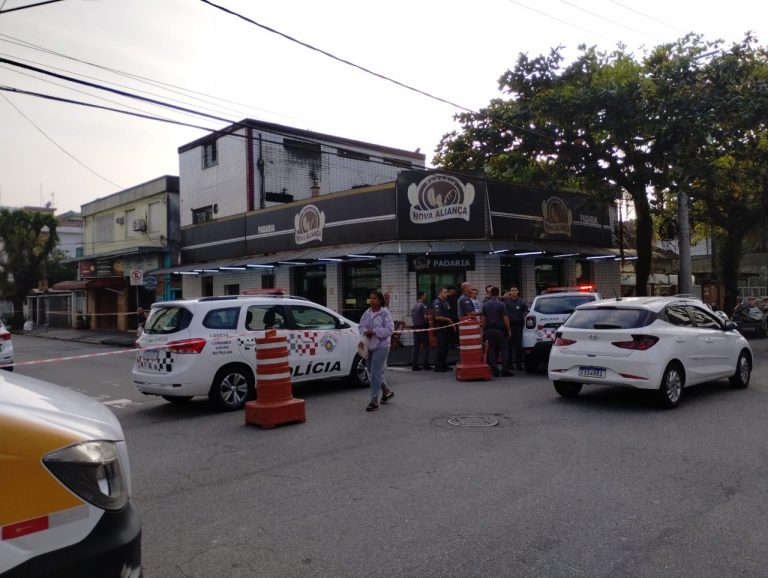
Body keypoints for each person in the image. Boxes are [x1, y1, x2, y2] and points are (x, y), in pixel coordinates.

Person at [358, 291, 395, 412]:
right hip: (369, 345)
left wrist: (374, 331)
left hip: (382, 345)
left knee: (375, 373)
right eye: (370, 298)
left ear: (380, 301)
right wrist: (364, 331)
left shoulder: (384, 313)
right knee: (371, 372)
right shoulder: (367, 313)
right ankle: (387, 391)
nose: (371, 300)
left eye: (374, 298)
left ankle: (374, 401)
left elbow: (390, 330)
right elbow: (361, 326)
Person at [481, 286, 512, 377]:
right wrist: (509, 330)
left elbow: (483, 319)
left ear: (490, 294)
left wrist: (483, 331)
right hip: (500, 330)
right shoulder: (501, 304)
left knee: (491, 349)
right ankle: (504, 370)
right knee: (504, 349)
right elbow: (505, 318)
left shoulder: (485, 305)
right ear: (498, 294)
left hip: (489, 330)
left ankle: (495, 370)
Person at [504, 287, 528, 371]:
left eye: (515, 290)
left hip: (518, 326)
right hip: (508, 326)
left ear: (517, 292)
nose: (513, 292)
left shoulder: (521, 301)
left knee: (518, 347)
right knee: (509, 347)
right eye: (512, 290)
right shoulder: (506, 301)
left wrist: (524, 318)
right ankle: (509, 364)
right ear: (509, 292)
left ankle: (518, 365)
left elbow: (525, 312)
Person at [410, 291, 432, 371]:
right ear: (422, 296)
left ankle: (414, 365)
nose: (425, 297)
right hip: (422, 328)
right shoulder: (423, 305)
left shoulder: (413, 306)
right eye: (425, 296)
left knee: (416, 347)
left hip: (415, 328)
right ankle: (425, 364)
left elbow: (412, 317)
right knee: (426, 346)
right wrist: (428, 323)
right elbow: (425, 317)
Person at [431, 287, 452, 372]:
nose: (446, 294)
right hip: (440, 327)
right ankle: (438, 366)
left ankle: (443, 364)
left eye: (446, 292)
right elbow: (437, 316)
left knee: (446, 347)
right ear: (440, 293)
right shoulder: (437, 303)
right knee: (441, 347)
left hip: (447, 327)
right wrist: (448, 319)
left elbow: (448, 313)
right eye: (444, 292)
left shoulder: (445, 302)